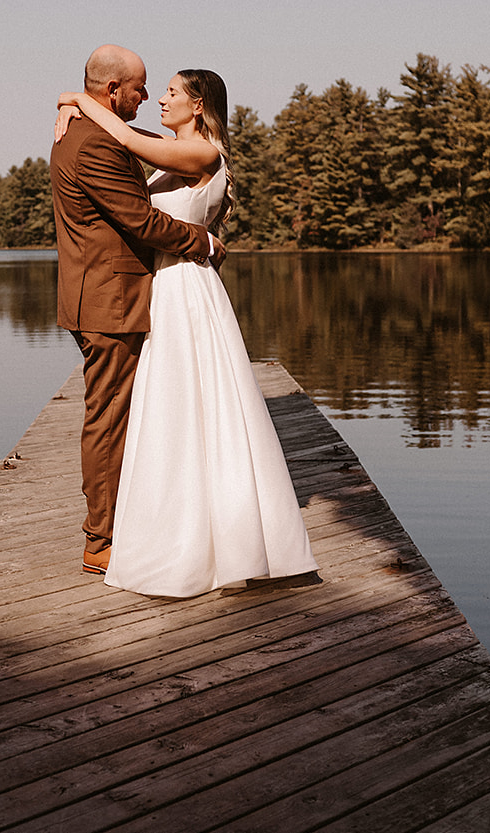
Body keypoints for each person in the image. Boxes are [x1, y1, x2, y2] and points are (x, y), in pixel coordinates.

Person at [56, 69, 318, 597]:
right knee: (168, 406)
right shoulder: (169, 147)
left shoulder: (203, 153)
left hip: (185, 286)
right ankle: (166, 518)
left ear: (198, 106)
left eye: (172, 92)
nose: (160, 99)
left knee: (198, 402)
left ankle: (203, 531)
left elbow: (125, 138)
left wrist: (77, 102)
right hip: (160, 288)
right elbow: (128, 141)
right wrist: (74, 100)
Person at [51, 45, 215, 576]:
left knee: (118, 412)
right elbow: (140, 221)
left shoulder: (84, 130)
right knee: (108, 419)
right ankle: (100, 539)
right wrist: (205, 244)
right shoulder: (95, 142)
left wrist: (70, 98)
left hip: (102, 295)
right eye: (140, 88)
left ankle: (131, 520)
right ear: (113, 90)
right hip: (110, 299)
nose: (146, 97)